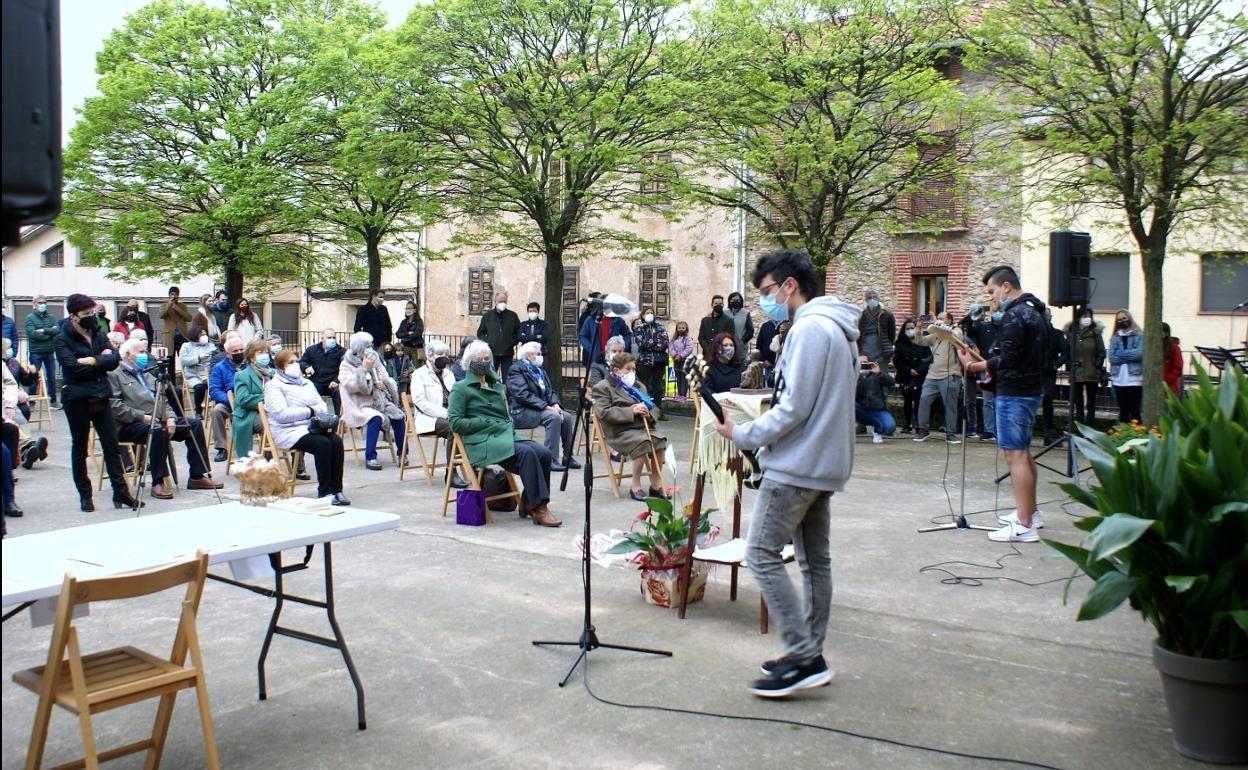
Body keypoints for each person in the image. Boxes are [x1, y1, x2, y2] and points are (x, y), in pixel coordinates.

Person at [711, 249, 858, 698]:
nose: (766, 302)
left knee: (761, 555)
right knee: (815, 563)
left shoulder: (811, 328)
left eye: (769, 292)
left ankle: (802, 653)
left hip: (797, 466)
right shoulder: (838, 328)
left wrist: (743, 433)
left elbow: (794, 407)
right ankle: (808, 652)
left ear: (790, 285)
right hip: (823, 464)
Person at [957, 266, 1048, 543]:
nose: (990, 298)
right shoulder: (1036, 311)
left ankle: (1024, 524)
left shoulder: (1014, 315)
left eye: (992, 291)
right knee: (1024, 453)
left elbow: (1007, 359)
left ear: (1006, 286)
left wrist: (974, 366)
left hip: (1015, 392)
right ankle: (1030, 513)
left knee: (1016, 455)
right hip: (1030, 389)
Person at [450, 341, 560, 527]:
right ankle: (539, 507)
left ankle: (527, 501)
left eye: (487, 358)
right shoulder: (461, 388)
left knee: (544, 453)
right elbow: (455, 422)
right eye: (479, 359)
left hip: (503, 434)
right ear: (469, 362)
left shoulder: (496, 385)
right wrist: (484, 422)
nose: (484, 362)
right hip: (481, 440)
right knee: (527, 454)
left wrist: (506, 424)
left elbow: (504, 414)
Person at [54, 293, 139, 512]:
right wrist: (101, 361)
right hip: (78, 399)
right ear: (73, 316)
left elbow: (114, 360)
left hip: (101, 395)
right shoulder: (62, 338)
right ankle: (85, 495)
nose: (92, 317)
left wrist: (93, 360)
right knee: (80, 447)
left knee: (111, 445)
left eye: (93, 312)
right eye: (87, 314)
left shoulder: (98, 332)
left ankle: (121, 492)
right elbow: (72, 368)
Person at [109, 339, 222, 500]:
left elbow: (163, 400)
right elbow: (116, 406)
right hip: (131, 424)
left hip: (158, 418)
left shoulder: (148, 374)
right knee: (157, 431)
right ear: (127, 355)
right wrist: (143, 417)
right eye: (140, 352)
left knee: (194, 425)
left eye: (145, 351)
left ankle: (197, 476)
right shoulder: (115, 375)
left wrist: (170, 418)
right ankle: (158, 482)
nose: (145, 355)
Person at [264, 349, 350, 505]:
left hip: (312, 427)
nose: (295, 365)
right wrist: (309, 410)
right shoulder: (274, 386)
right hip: (288, 431)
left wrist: (311, 411)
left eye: (297, 361)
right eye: (291, 362)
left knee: (336, 441)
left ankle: (337, 489)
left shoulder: (307, 383)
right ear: (281, 367)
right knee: (322, 444)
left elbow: (322, 406)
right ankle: (325, 492)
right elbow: (282, 414)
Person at [592, 351, 669, 501]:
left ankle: (655, 485)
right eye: (628, 369)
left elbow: (654, 408)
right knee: (642, 442)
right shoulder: (604, 387)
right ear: (616, 370)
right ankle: (635, 486)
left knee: (660, 440)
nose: (632, 372)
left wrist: (649, 414)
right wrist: (631, 410)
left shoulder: (638, 386)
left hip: (641, 427)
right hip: (619, 431)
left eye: (634, 369)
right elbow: (604, 413)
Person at [340, 331, 407, 471]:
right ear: (359, 349)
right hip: (359, 404)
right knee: (375, 417)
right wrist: (364, 369)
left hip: (380, 401)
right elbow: (352, 386)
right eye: (368, 346)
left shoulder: (375, 360)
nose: (371, 349)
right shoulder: (346, 364)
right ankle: (370, 457)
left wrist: (384, 383)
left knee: (398, 415)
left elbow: (385, 376)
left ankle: (402, 453)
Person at [508, 341, 579, 471]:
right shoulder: (516, 370)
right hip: (522, 410)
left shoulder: (540, 371)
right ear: (528, 356)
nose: (541, 357)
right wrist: (547, 407)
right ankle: (550, 459)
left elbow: (550, 391)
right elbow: (522, 395)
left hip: (540, 408)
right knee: (553, 417)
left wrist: (556, 404)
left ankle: (568, 457)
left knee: (567, 417)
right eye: (538, 354)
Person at [409, 340, 468, 488]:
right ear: (429, 357)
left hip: (452, 413)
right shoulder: (419, 374)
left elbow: (456, 396)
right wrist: (446, 413)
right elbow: (420, 402)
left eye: (446, 354)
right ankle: (451, 472)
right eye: (440, 354)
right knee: (454, 428)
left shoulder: (449, 374)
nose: (444, 357)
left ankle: (474, 466)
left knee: (473, 424)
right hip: (429, 417)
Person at [912, 311, 963, 444]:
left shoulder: (956, 330)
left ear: (949, 321)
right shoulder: (935, 335)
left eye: (942, 318)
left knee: (950, 405)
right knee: (923, 400)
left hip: (949, 374)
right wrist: (918, 327)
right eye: (938, 318)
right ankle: (923, 430)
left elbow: (957, 338)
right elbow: (919, 341)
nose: (939, 320)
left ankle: (951, 433)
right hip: (932, 374)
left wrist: (938, 325)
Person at [3, 339, 49, 469]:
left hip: (12, 400)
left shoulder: (13, 363)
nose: (8, 350)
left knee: (21, 413)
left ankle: (29, 449)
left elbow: (26, 381)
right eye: (6, 348)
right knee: (13, 418)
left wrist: (33, 373)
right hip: (7, 402)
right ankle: (28, 448)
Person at [960, 305, 999, 441]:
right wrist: (972, 315)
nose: (997, 314)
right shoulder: (983, 327)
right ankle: (989, 431)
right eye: (995, 311)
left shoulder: (1007, 328)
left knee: (1001, 401)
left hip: (1003, 368)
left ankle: (1000, 430)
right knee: (987, 401)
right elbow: (970, 330)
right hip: (986, 367)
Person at [231, 339, 273, 459]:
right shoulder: (242, 375)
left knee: (294, 423)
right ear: (251, 357)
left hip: (270, 411)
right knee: (269, 426)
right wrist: (268, 398)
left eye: (266, 352)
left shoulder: (272, 373)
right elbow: (243, 399)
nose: (264, 355)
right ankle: (270, 462)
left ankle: (299, 468)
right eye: (260, 352)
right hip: (248, 414)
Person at [1066, 308, 1106, 426]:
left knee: (1091, 402)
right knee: (1078, 402)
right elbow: (1068, 350)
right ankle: (1079, 426)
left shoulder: (1094, 332)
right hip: (1076, 372)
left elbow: (1101, 351)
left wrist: (1097, 364)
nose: (1087, 318)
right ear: (1078, 318)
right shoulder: (1071, 332)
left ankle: (1090, 426)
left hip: (1091, 372)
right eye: (1084, 316)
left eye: (1089, 316)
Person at [208, 336, 245, 461]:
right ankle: (221, 448)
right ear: (227, 353)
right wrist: (230, 401)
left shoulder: (250, 365)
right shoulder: (219, 368)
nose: (239, 353)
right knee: (216, 411)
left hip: (247, 402)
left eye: (241, 349)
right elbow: (214, 390)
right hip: (228, 402)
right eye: (235, 351)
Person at [892, 317, 930, 433]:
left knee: (919, 400)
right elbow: (897, 361)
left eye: (912, 328)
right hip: (905, 375)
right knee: (907, 400)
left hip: (920, 375)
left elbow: (928, 358)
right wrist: (908, 370)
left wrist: (919, 369)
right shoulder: (900, 343)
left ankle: (919, 424)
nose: (910, 330)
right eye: (908, 328)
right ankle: (907, 424)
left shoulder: (923, 342)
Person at [24, 295, 61, 409]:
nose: (42, 305)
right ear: (34, 304)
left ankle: (53, 402)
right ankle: (31, 402)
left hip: (49, 351)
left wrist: (44, 330)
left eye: (44, 302)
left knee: (51, 377)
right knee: (34, 376)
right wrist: (49, 335)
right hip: (36, 352)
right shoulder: (29, 318)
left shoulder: (51, 317)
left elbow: (57, 330)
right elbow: (32, 333)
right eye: (40, 303)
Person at [1108, 308, 1144, 423]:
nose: (1122, 321)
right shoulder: (1115, 337)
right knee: (1123, 411)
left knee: (1135, 411)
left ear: (1129, 318)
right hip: (1119, 379)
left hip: (1135, 379)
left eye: (1124, 318)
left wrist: (1120, 354)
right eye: (1119, 319)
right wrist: (1129, 355)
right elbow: (1112, 358)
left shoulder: (1139, 335)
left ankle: (1137, 437)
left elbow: (1138, 354)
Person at [633, 308, 669, 415]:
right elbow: (641, 343)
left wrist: (650, 344)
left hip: (659, 362)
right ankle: (644, 409)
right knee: (644, 387)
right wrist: (654, 343)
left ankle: (657, 411)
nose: (650, 314)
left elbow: (664, 343)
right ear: (643, 315)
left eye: (651, 313)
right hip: (644, 362)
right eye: (647, 313)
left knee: (658, 387)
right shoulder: (639, 328)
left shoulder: (660, 327)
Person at [300, 328, 346, 414]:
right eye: (329, 337)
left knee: (339, 392)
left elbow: (345, 370)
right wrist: (306, 367)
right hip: (317, 381)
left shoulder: (342, 351)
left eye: (333, 337)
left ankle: (337, 422)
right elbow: (302, 361)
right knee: (307, 389)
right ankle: (312, 419)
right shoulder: (312, 350)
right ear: (322, 339)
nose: (332, 340)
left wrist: (337, 380)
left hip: (333, 383)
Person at [476, 290, 521, 378]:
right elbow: (480, 333)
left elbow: (518, 332)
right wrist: (488, 342)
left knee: (508, 378)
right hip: (492, 352)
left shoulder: (513, 316)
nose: (502, 303)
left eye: (504, 301)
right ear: (495, 302)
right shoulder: (487, 316)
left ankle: (506, 392)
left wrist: (511, 342)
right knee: (490, 377)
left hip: (507, 353)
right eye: (500, 301)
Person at [1041, 308, 1068, 444]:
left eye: (1047, 315)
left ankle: (1049, 434)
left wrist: (1055, 365)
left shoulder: (1057, 334)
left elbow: (1065, 353)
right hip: (1033, 372)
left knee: (1048, 400)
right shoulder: (1035, 334)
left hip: (1049, 373)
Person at [854, 355, 895, 443]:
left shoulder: (876, 375)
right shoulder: (853, 375)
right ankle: (876, 426)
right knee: (850, 405)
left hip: (877, 409)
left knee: (889, 428)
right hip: (860, 410)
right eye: (860, 363)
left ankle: (876, 426)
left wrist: (879, 373)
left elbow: (891, 383)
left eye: (865, 362)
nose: (863, 365)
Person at [578, 300, 632, 365]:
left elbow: (627, 334)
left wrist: (623, 347)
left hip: (613, 356)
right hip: (596, 357)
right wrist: (591, 348)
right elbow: (582, 336)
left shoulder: (617, 320)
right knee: (597, 373)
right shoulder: (591, 319)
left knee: (613, 374)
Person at [179, 326, 216, 418]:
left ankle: (216, 410)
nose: (204, 336)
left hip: (208, 374)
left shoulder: (211, 346)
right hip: (193, 375)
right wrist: (198, 358)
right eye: (202, 334)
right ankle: (198, 411)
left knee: (215, 385)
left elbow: (216, 358)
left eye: (205, 334)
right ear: (195, 335)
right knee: (200, 387)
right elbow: (183, 360)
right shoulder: (187, 346)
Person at [858, 288, 896, 371]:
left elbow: (892, 336)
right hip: (865, 355)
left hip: (882, 354)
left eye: (874, 297)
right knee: (865, 380)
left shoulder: (887, 315)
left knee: (882, 379)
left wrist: (887, 348)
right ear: (866, 300)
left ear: (878, 299)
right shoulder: (860, 316)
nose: (872, 299)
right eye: (869, 297)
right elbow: (858, 336)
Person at [158, 286, 192, 355]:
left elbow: (189, 318)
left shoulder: (183, 306)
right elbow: (161, 315)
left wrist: (177, 308)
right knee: (170, 358)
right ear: (169, 295)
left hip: (182, 334)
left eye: (176, 294)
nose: (174, 296)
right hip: (170, 335)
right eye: (172, 294)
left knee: (185, 356)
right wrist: (169, 305)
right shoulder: (164, 305)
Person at [396, 299, 425, 369]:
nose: (407, 310)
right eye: (406, 308)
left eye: (409, 308)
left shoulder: (419, 321)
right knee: (404, 367)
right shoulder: (404, 322)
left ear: (414, 310)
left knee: (416, 367)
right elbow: (398, 334)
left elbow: (417, 334)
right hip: (405, 347)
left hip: (415, 348)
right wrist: (407, 333)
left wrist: (405, 336)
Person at [668, 321, 694, 398]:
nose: (681, 329)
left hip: (685, 361)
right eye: (679, 328)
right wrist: (674, 355)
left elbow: (689, 348)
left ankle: (683, 395)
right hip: (676, 360)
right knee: (678, 377)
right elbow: (671, 347)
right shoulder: (674, 339)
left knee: (684, 378)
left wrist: (681, 355)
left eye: (683, 328)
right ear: (677, 329)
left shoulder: (688, 338)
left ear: (686, 329)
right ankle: (679, 394)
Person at [1162, 322, 1183, 395]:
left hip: (1169, 387)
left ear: (1166, 333)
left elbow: (1178, 367)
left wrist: (1167, 380)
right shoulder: (1153, 347)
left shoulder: (1173, 347)